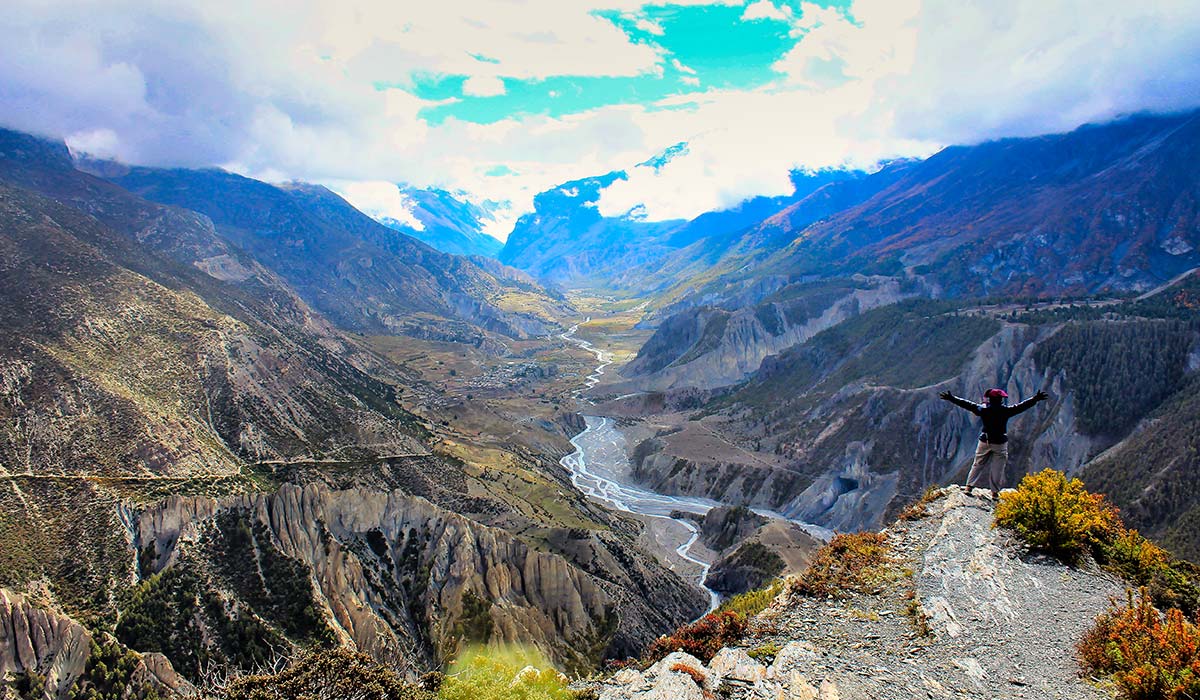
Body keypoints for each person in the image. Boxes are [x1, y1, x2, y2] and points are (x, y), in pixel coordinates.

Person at [938, 387, 1049, 498]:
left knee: (978, 464)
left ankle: (969, 487)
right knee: (998, 468)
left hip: (984, 441)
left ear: (990, 399)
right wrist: (1035, 399)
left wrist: (952, 398)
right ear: (1000, 400)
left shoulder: (983, 410)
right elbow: (1021, 407)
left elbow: (968, 405)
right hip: (1000, 443)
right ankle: (995, 493)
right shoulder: (1005, 411)